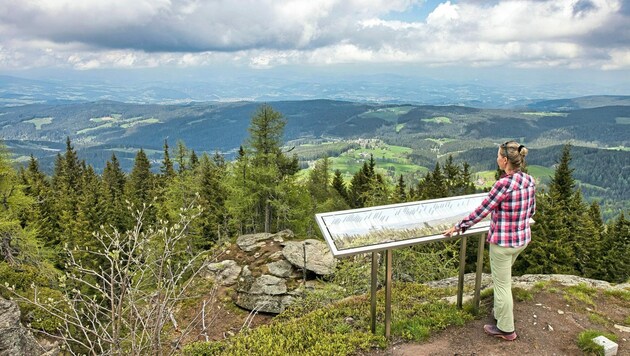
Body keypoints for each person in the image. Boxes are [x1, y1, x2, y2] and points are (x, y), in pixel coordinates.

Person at [443, 141, 536, 341]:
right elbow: (531, 211)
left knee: (502, 286)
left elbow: (482, 210)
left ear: (504, 161)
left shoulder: (503, 184)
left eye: (497, 156)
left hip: (503, 244)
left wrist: (459, 226)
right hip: (521, 240)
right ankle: (501, 312)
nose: (496, 159)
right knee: (505, 281)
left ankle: (506, 329)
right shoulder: (528, 180)